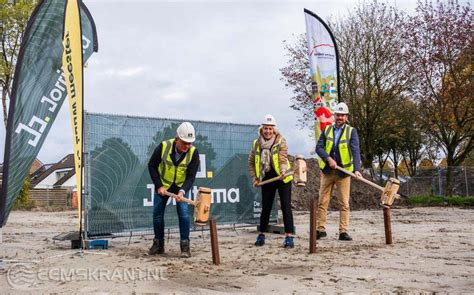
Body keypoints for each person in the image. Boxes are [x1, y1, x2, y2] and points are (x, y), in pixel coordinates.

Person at [148, 122, 200, 257]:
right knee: (157, 214)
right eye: (184, 143)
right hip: (163, 185)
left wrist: (182, 191)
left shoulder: (193, 153)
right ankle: (158, 244)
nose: (187, 146)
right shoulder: (163, 147)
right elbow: (152, 166)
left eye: (190, 143)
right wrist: (159, 185)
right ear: (177, 139)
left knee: (183, 213)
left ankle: (185, 247)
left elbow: (191, 177)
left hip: (181, 187)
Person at [316, 102, 362, 241]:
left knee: (344, 203)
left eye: (342, 115)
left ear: (346, 117)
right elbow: (319, 148)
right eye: (338, 115)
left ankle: (343, 231)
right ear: (334, 116)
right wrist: (328, 159)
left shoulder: (351, 131)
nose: (340, 117)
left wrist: (357, 169)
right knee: (322, 201)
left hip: (344, 173)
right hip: (327, 172)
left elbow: (355, 151)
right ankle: (321, 229)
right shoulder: (327, 130)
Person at [248, 114, 295, 248]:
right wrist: (255, 178)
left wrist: (283, 171)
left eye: (270, 128)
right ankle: (261, 234)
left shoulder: (281, 141)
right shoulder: (256, 144)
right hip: (267, 178)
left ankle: (289, 236)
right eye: (265, 128)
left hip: (283, 177)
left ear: (274, 130)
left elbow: (282, 157)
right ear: (261, 129)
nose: (268, 131)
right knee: (266, 207)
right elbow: (251, 162)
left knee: (286, 206)